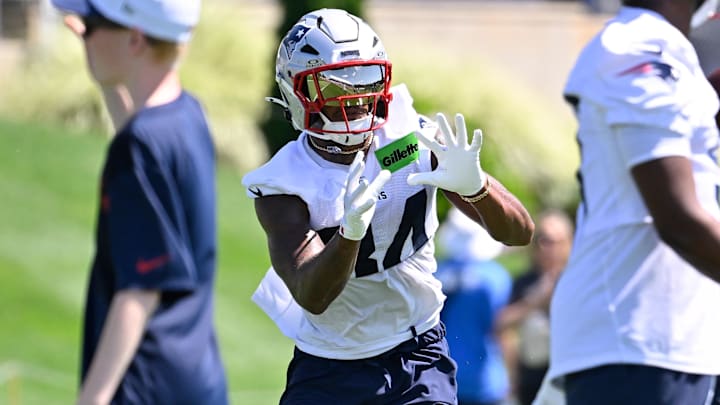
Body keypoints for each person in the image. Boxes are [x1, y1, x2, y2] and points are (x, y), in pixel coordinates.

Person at [243, 8, 535, 404]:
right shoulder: (284, 184)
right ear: (298, 92)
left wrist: (477, 187)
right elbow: (312, 294)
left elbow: (520, 233)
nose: (357, 99)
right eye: (335, 86)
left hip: (416, 352)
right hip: (331, 363)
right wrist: (350, 233)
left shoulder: (410, 137)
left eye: (365, 80)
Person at [50, 1, 228, 404]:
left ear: (134, 39)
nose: (85, 36)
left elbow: (140, 291)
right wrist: (108, 83)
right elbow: (139, 140)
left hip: (147, 385)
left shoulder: (140, 144)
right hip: (195, 378)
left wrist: (92, 397)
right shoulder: (186, 115)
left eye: (93, 26)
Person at [545, 0, 720, 404]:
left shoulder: (666, 48)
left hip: (670, 341)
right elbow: (679, 220)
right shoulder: (637, 45)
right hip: (632, 340)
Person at [434, 207, 513, 405]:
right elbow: (501, 329)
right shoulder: (495, 276)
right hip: (485, 381)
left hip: (441, 378)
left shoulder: (436, 273)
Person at [495, 210, 573, 405]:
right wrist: (534, 302)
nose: (543, 246)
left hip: (569, 377)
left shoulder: (576, 280)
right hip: (529, 379)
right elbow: (502, 324)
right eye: (539, 239)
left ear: (567, 243)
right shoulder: (525, 281)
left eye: (550, 240)